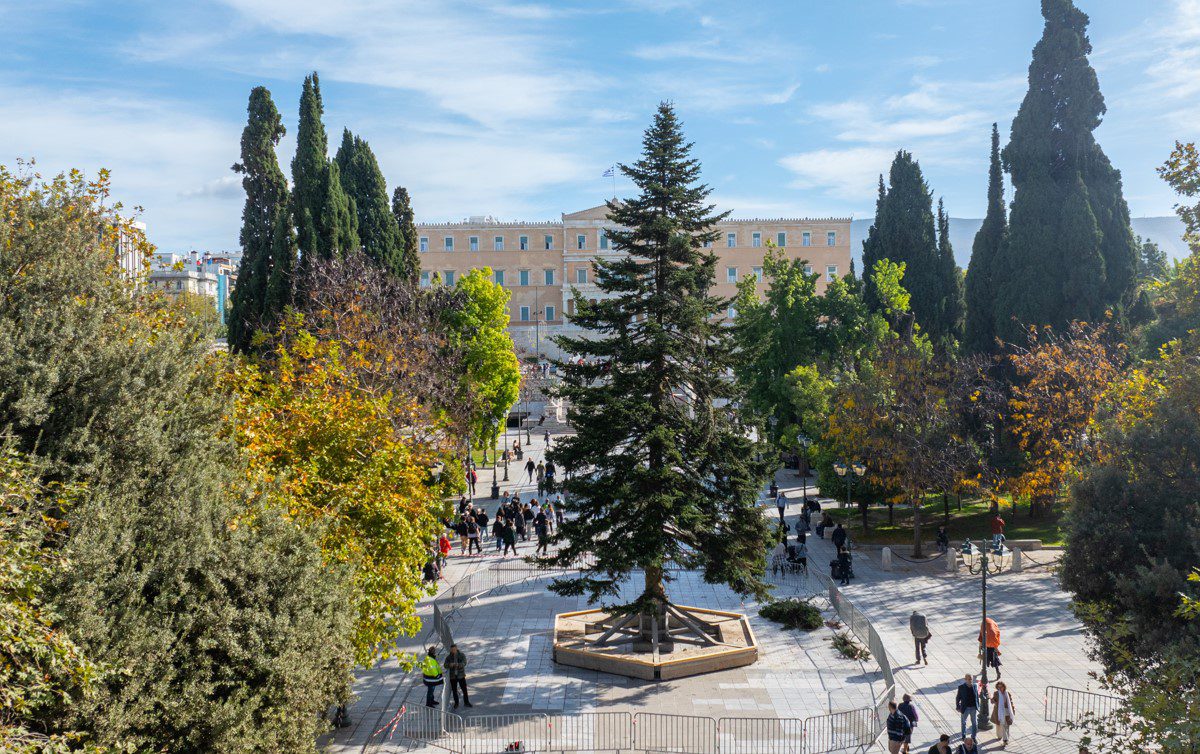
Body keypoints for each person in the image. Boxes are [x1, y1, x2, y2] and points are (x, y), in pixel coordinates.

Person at [444, 644, 472, 709]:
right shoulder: (448, 657)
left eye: (454, 649)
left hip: (461, 675)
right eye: (452, 650)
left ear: (456, 649)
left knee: (464, 689)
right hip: (453, 676)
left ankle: (466, 702)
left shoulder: (461, 655)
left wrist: (459, 665)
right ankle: (456, 703)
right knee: (454, 690)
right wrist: (450, 665)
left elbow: (464, 662)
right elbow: (445, 665)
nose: (453, 651)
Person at [991, 680, 1016, 746]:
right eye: (998, 687)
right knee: (1001, 725)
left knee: (1006, 725)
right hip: (999, 712)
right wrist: (992, 700)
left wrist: (1013, 710)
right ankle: (1002, 738)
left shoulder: (1007, 693)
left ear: (1004, 687)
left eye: (1001, 687)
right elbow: (993, 700)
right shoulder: (996, 693)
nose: (1000, 688)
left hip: (1007, 711)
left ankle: (1006, 739)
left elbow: (1011, 702)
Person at [955, 674, 978, 742]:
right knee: (963, 722)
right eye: (968, 679)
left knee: (974, 723)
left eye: (971, 679)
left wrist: (977, 705)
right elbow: (958, 698)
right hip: (965, 708)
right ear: (965, 679)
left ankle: (973, 737)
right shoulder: (961, 687)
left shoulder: (975, 686)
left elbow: (976, 696)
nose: (970, 680)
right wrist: (958, 706)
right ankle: (963, 736)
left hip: (973, 707)